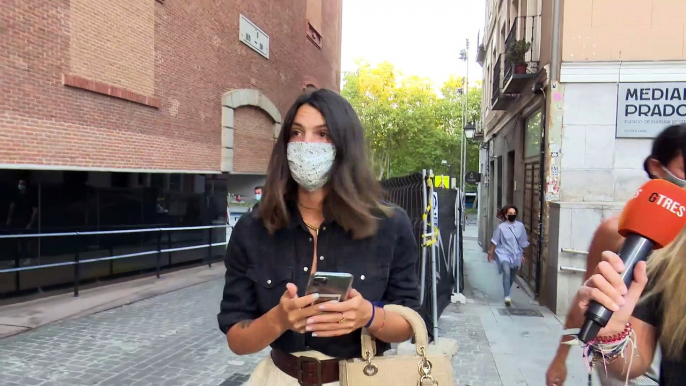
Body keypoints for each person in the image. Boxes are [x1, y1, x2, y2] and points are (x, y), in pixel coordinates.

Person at [217, 89, 421, 386]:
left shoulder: (390, 225)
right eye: (297, 133)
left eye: (322, 133)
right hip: (280, 378)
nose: (307, 144)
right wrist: (279, 319)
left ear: (345, 144)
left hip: (364, 378)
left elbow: (408, 323)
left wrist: (368, 315)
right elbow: (237, 339)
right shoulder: (253, 228)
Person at [544, 125, 686, 386]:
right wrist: (562, 356)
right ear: (657, 168)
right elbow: (586, 300)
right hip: (620, 360)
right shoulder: (621, 232)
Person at [487, 205, 529, 306]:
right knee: (506, 272)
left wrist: (522, 254)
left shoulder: (520, 226)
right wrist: (490, 253)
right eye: (510, 214)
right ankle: (507, 296)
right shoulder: (501, 227)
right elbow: (495, 241)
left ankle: (507, 290)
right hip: (504, 253)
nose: (512, 215)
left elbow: (522, 241)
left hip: (516, 254)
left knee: (512, 276)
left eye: (514, 214)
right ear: (506, 215)